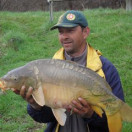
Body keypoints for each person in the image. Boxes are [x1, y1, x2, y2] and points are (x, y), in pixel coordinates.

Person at [14, 10, 124, 132]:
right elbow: (46, 118)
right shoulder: (47, 70)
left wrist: (90, 115)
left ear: (85, 32)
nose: (64, 37)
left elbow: (113, 125)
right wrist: (35, 105)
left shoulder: (106, 69)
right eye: (61, 32)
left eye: (70, 31)